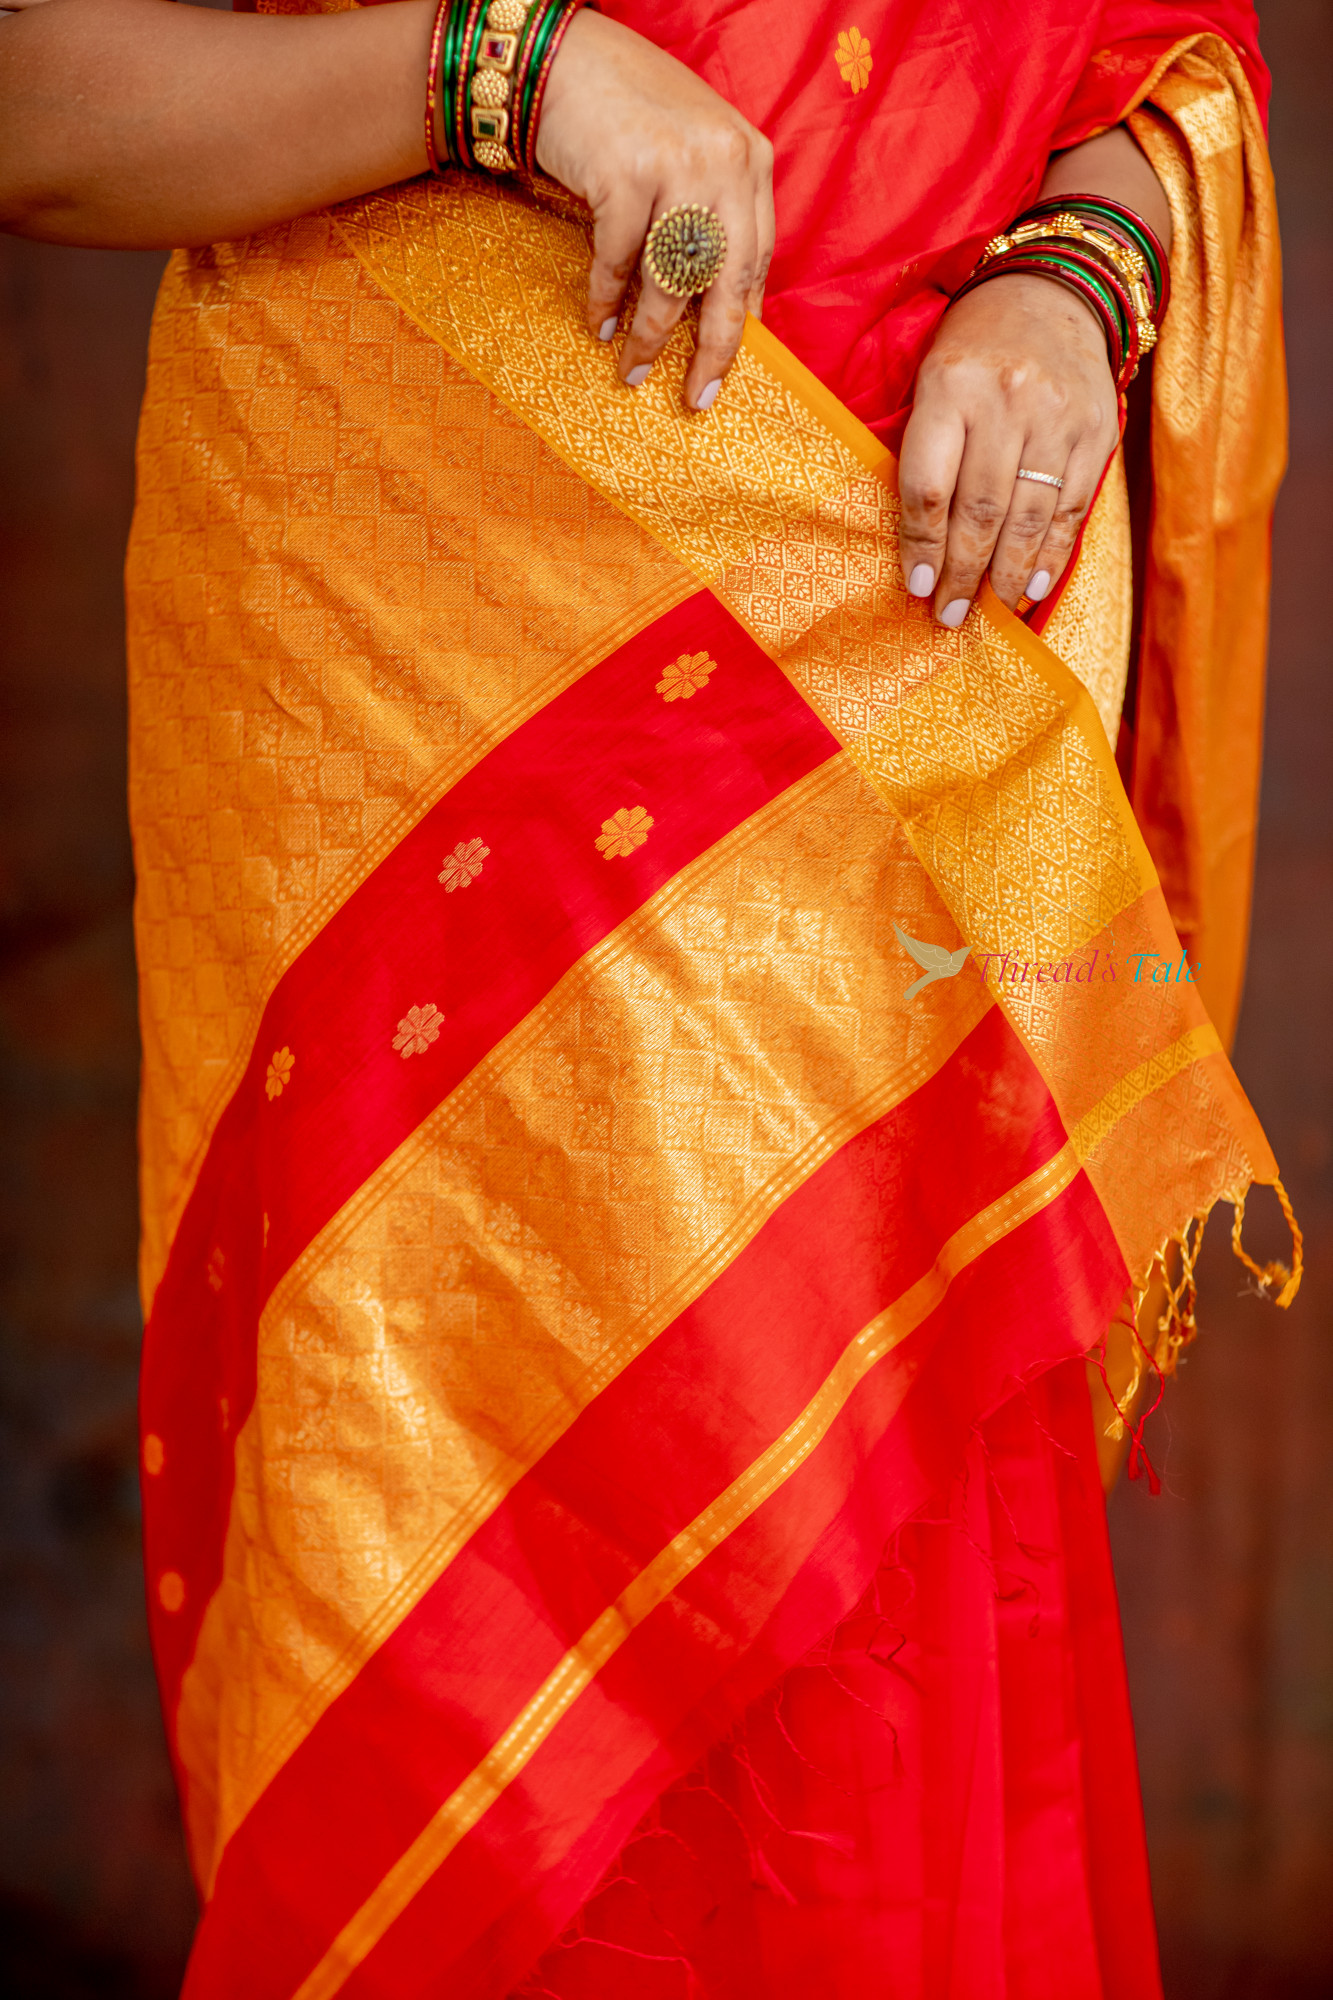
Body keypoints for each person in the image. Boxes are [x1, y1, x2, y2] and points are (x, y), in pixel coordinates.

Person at [0, 2, 1298, 1994]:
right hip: (432, 670)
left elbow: (1158, 60)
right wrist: (499, 72)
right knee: (463, 1620)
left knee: (877, 1658)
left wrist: (1078, 273)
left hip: (901, 665)